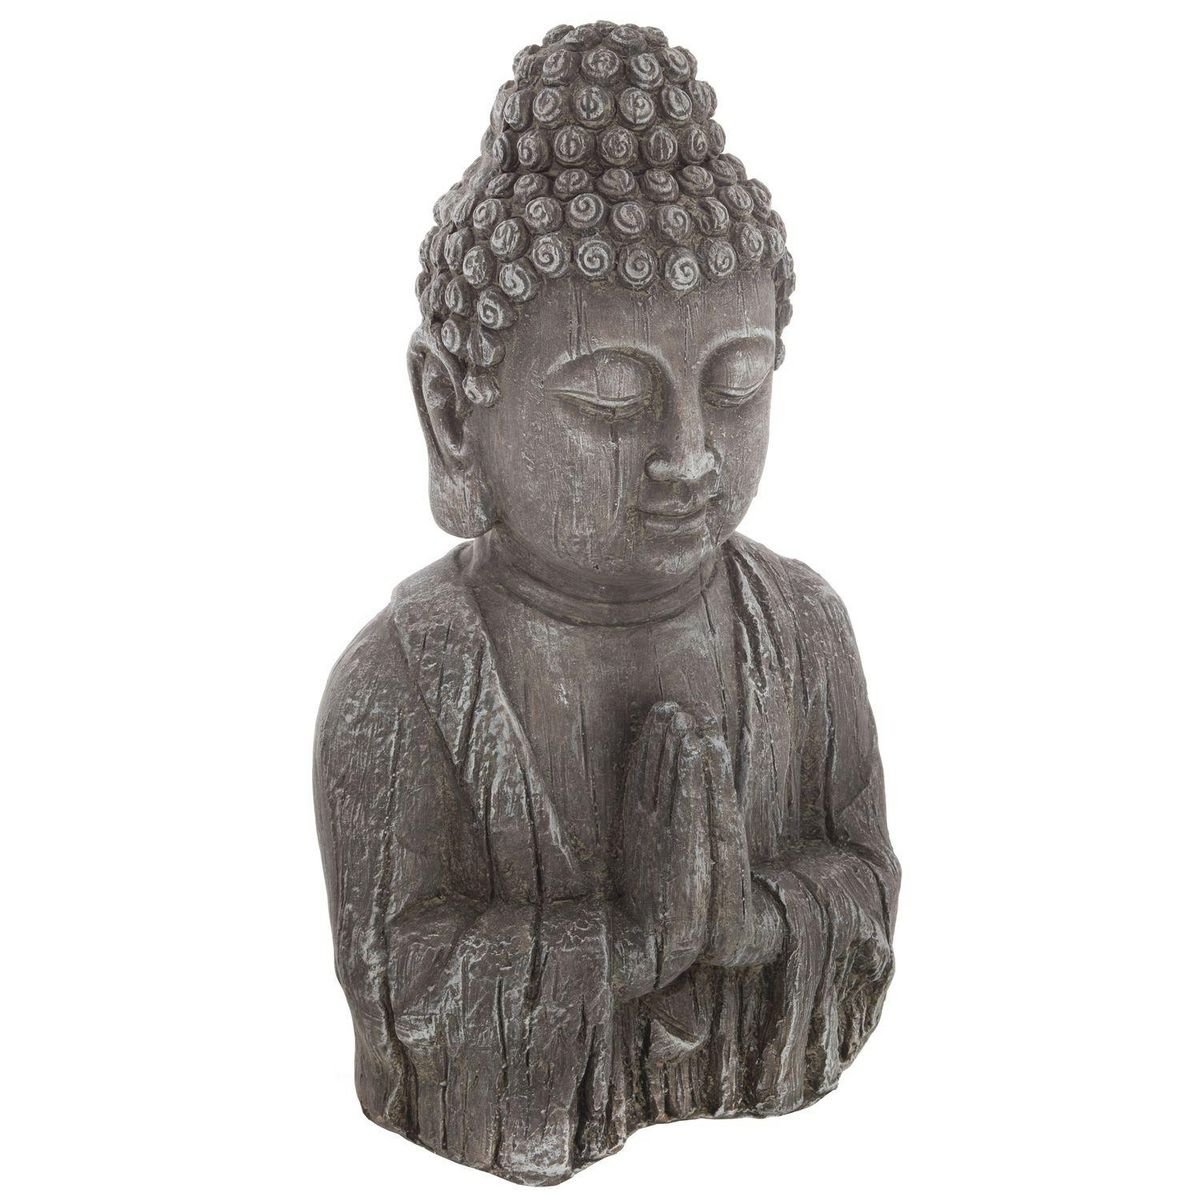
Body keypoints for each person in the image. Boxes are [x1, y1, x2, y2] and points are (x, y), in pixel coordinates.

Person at [314, 20, 899, 1185]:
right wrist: (632, 942)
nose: (689, 454)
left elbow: (869, 885)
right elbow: (399, 989)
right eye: (613, 403)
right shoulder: (404, 686)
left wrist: (753, 924)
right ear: (451, 412)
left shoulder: (804, 633)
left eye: (736, 385)